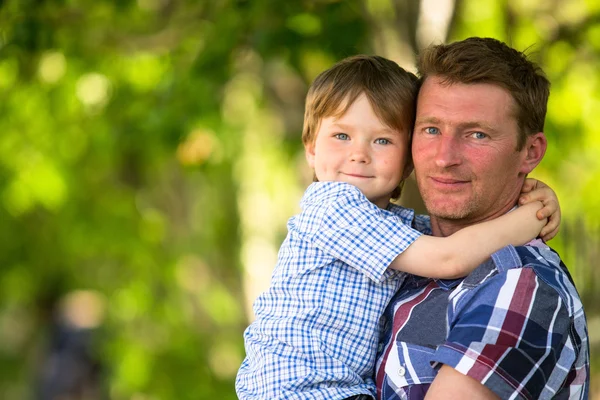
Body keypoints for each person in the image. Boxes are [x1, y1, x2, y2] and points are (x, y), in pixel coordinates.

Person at [236, 55, 560, 400]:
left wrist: (538, 196)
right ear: (311, 148)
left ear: (408, 160)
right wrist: (529, 218)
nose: (359, 154)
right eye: (341, 135)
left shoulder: (403, 229)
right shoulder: (332, 208)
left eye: (382, 141)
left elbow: (457, 245)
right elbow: (449, 257)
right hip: (301, 389)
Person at [376, 37, 590, 399]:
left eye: (477, 134)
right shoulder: (404, 245)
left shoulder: (520, 287)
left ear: (530, 152)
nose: (445, 158)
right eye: (431, 129)